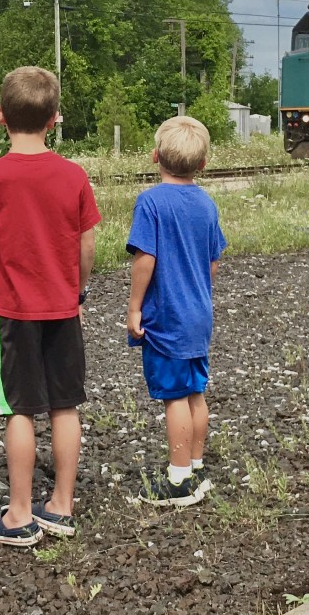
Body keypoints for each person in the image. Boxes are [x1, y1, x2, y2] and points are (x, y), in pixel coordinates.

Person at [0, 66, 100, 546]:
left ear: (0, 116)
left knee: (20, 408)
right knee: (65, 405)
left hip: (13, 312)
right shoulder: (74, 175)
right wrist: (77, 291)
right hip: (63, 308)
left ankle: (19, 514)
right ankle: (61, 507)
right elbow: (86, 244)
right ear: (55, 119)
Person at [126, 116, 227, 506]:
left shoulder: (150, 201)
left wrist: (135, 307)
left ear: (155, 156)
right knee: (196, 391)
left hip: (167, 316)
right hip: (199, 315)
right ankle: (197, 466)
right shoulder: (206, 202)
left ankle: (179, 480)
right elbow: (213, 263)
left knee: (175, 397)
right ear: (202, 165)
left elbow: (145, 260)